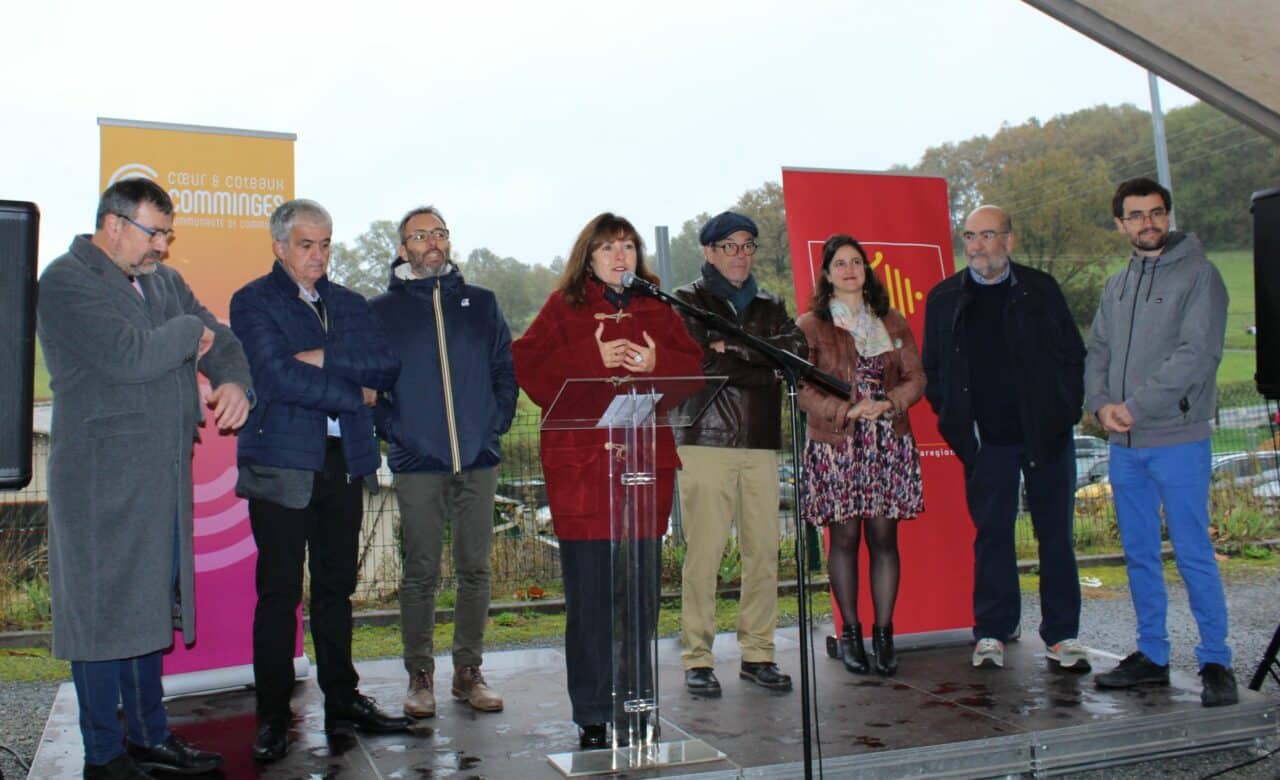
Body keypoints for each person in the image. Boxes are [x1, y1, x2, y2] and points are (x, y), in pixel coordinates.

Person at [38, 178, 251, 779]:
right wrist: (189, 335)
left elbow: (222, 337)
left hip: (160, 478)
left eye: (166, 233)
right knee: (103, 618)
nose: (164, 245)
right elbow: (130, 355)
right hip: (100, 483)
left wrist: (233, 379)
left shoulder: (164, 281)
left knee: (147, 612)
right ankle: (105, 754)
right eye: (155, 232)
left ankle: (150, 736)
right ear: (114, 224)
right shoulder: (66, 281)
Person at [511, 213, 702, 749]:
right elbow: (528, 367)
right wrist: (590, 357)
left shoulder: (658, 307)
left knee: (640, 599)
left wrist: (656, 360)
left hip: (644, 473)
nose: (620, 257)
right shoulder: (562, 307)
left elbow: (692, 369)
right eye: (608, 248)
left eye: (628, 247)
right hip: (584, 476)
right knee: (591, 598)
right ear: (587, 257)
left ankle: (638, 704)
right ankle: (593, 712)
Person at [230, 199, 407, 763]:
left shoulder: (350, 302)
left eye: (326, 243)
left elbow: (385, 365)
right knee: (279, 593)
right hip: (281, 462)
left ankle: (343, 700)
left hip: (342, 460)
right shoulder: (253, 301)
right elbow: (275, 376)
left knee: (336, 591)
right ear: (279, 246)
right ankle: (274, 717)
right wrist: (352, 390)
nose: (318, 255)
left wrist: (322, 358)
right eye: (307, 244)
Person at [1086, 177, 1238, 707]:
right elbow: (1098, 350)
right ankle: (1152, 654)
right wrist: (1102, 405)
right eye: (1136, 215)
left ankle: (1216, 660)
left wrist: (1136, 406)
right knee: (1140, 554)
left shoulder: (1200, 275)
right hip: (1125, 446)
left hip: (1178, 439)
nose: (1147, 223)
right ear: (1120, 224)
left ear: (1168, 216)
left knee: (1194, 551)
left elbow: (1197, 354)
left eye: (1156, 213)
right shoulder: (1117, 284)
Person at [922, 205, 1087, 671]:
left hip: (1047, 438)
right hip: (986, 443)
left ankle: (1062, 636)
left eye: (988, 234)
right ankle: (992, 632)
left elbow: (1073, 357)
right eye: (970, 236)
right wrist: (961, 430)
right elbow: (934, 373)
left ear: (1009, 241)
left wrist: (1064, 414)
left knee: (1056, 538)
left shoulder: (1041, 290)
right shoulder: (943, 299)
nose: (977, 245)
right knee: (992, 537)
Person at [369, 206, 517, 718]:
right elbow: (371, 388)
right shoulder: (382, 310)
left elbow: (504, 368)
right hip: (417, 463)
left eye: (439, 233)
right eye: (419, 235)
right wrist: (397, 432)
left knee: (476, 570)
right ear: (403, 248)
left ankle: (468, 673)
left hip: (478, 458)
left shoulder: (482, 303)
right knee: (422, 573)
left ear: (448, 242)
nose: (431, 242)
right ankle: (420, 676)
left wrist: (494, 424)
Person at [673, 210, 809, 696]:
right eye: (729, 246)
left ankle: (758, 653)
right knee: (705, 555)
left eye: (747, 245)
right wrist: (760, 360)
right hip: (705, 439)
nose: (740, 254)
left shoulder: (771, 303)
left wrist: (736, 349)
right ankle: (698, 658)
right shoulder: (687, 300)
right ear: (708, 251)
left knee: (764, 554)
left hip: (761, 442)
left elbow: (796, 356)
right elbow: (702, 362)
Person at [796, 234, 925, 676]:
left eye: (857, 262)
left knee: (885, 540)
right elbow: (804, 391)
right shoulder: (810, 326)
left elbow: (916, 378)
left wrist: (889, 404)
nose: (850, 270)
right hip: (837, 443)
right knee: (845, 540)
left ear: (866, 269)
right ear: (827, 274)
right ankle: (850, 633)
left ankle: (884, 633)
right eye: (840, 264)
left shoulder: (891, 320)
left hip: (887, 441)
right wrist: (845, 410)